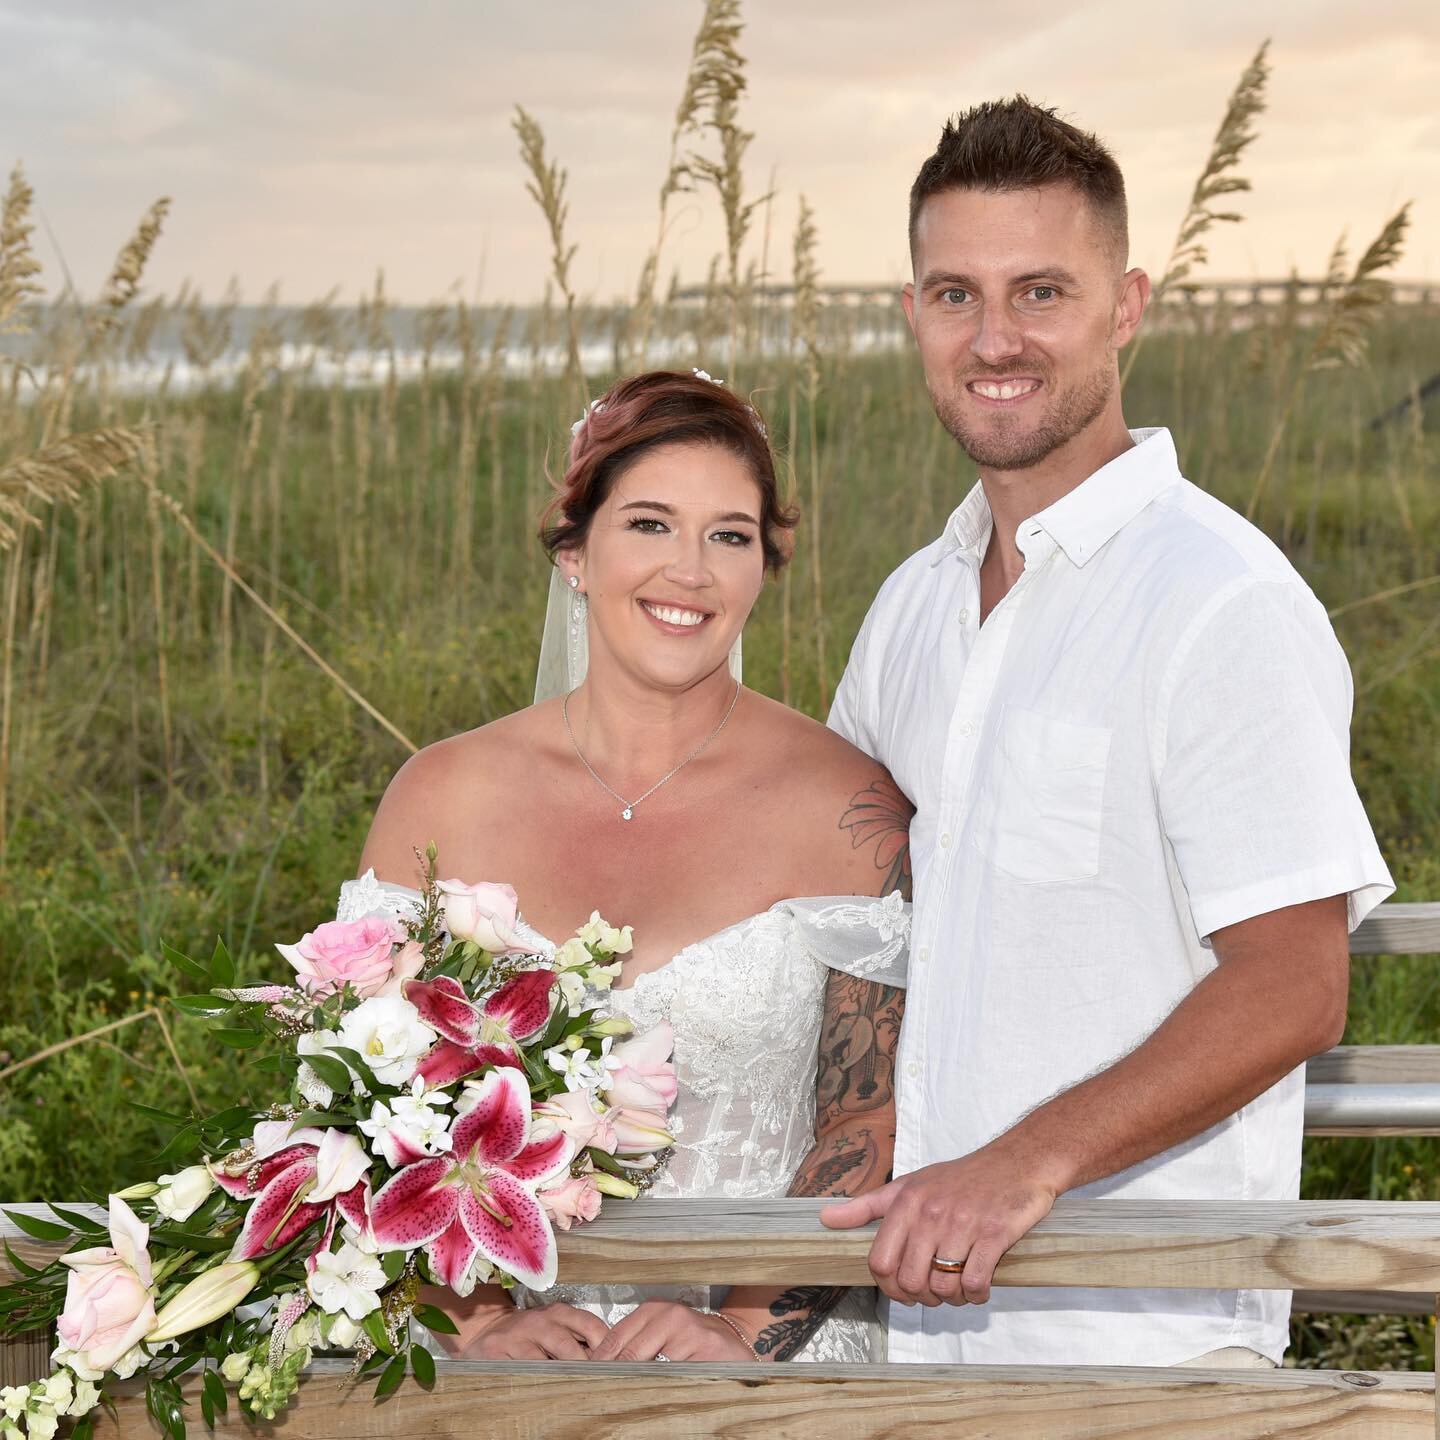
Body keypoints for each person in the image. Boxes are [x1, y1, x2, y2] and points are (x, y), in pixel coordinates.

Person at [822, 97, 1394, 1369]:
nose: (995, 339)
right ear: (913, 316)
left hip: (1140, 1338)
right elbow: (822, 882)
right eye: (956, 295)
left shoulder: (1219, 602)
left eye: (1041, 291)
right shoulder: (912, 604)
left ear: (1126, 307)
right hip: (912, 1339)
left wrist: (1020, 1167)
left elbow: (1295, 985)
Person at [342, 369, 912, 1363]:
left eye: (729, 536)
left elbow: (864, 1115)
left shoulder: (847, 809)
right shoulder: (441, 798)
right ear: (574, 552)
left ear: (763, 567)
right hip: (495, 1343)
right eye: (650, 524)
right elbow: (367, 1100)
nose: (689, 570)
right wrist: (476, 1327)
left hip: (769, 1355)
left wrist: (738, 1331)